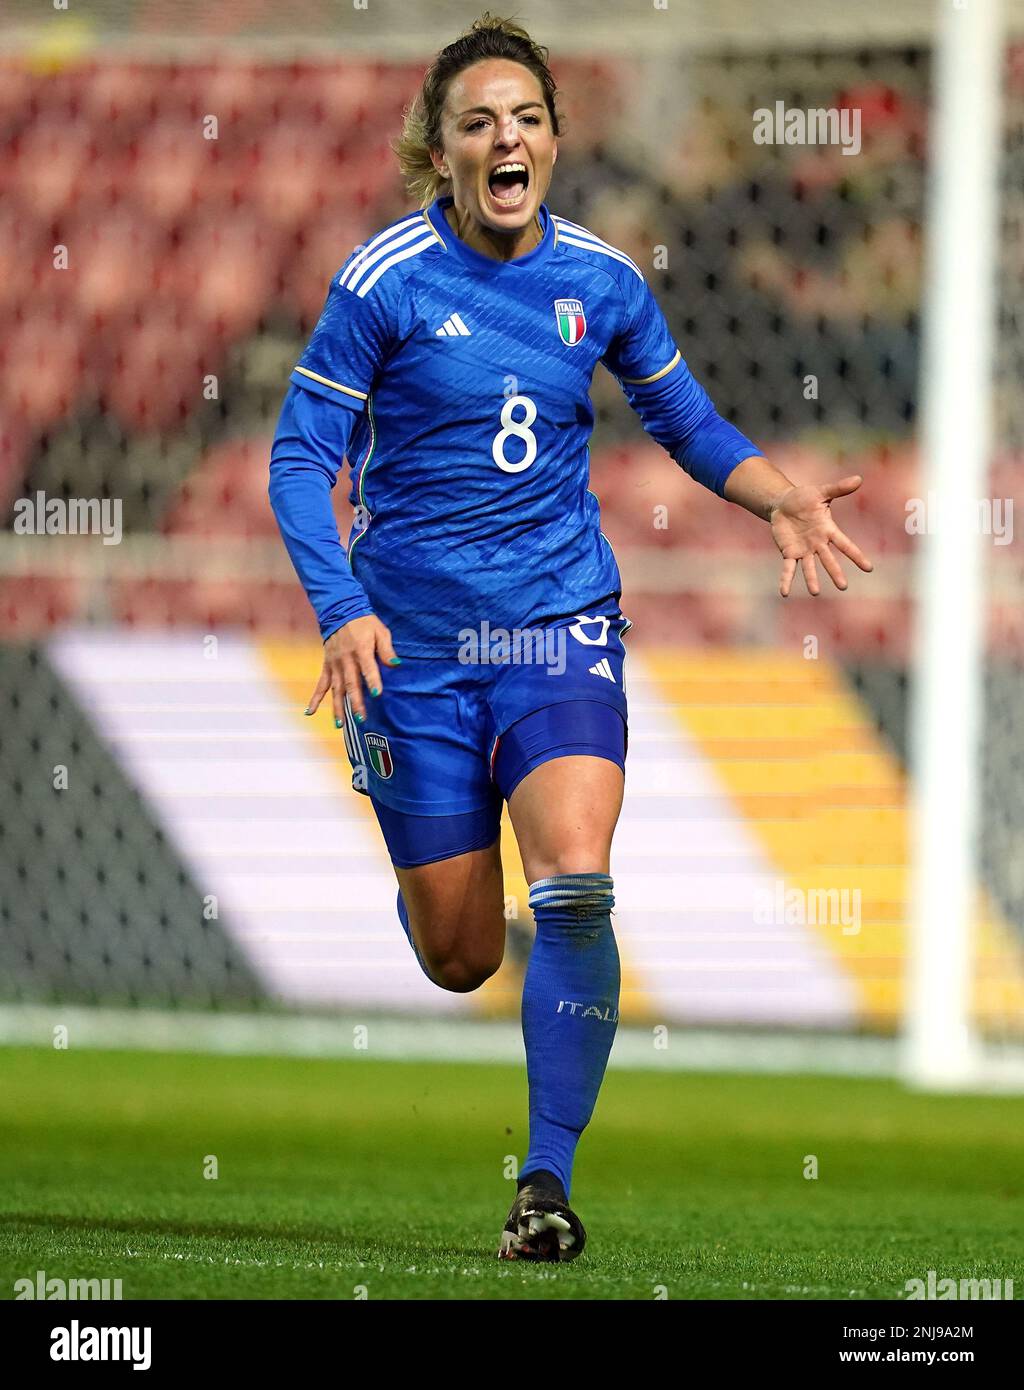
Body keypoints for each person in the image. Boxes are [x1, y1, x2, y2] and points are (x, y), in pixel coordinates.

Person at [268, 13, 872, 1262]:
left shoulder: (597, 280)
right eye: (479, 119)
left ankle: (543, 1181)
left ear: (552, 140)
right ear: (439, 151)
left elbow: (686, 420)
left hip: (559, 630)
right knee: (459, 950)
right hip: (414, 657)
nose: (507, 137)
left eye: (528, 117)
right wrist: (343, 610)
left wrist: (779, 496)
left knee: (579, 878)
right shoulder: (384, 282)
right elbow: (297, 459)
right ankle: (435, 884)